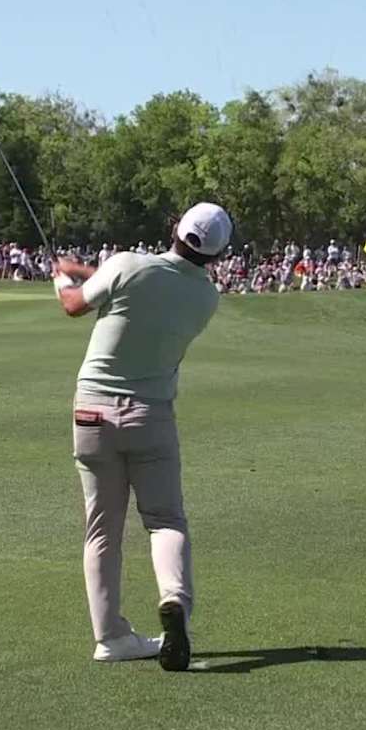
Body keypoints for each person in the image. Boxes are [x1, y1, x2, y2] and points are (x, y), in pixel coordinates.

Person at [50, 201, 231, 671]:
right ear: (217, 254)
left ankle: (110, 637)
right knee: (165, 520)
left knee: (101, 529)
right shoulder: (206, 298)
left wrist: (63, 277)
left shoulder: (127, 265)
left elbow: (74, 304)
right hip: (151, 416)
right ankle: (174, 602)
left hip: (91, 412)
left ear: (175, 227)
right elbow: (151, 280)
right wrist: (87, 269)